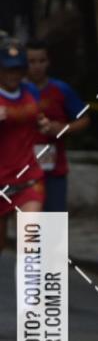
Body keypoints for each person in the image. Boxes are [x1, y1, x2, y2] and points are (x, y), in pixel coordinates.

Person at [26, 40, 90, 212]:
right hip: (24, 170)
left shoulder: (61, 89)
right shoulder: (17, 91)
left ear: (48, 62)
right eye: (31, 62)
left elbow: (84, 119)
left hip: (54, 168)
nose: (37, 66)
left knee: (53, 225)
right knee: (30, 230)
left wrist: (63, 128)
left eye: (41, 61)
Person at [0, 38, 46, 254]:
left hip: (28, 180)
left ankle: (33, 287)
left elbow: (38, 117)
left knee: (31, 248)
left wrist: (44, 123)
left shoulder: (31, 92)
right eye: (8, 69)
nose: (13, 74)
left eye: (18, 69)